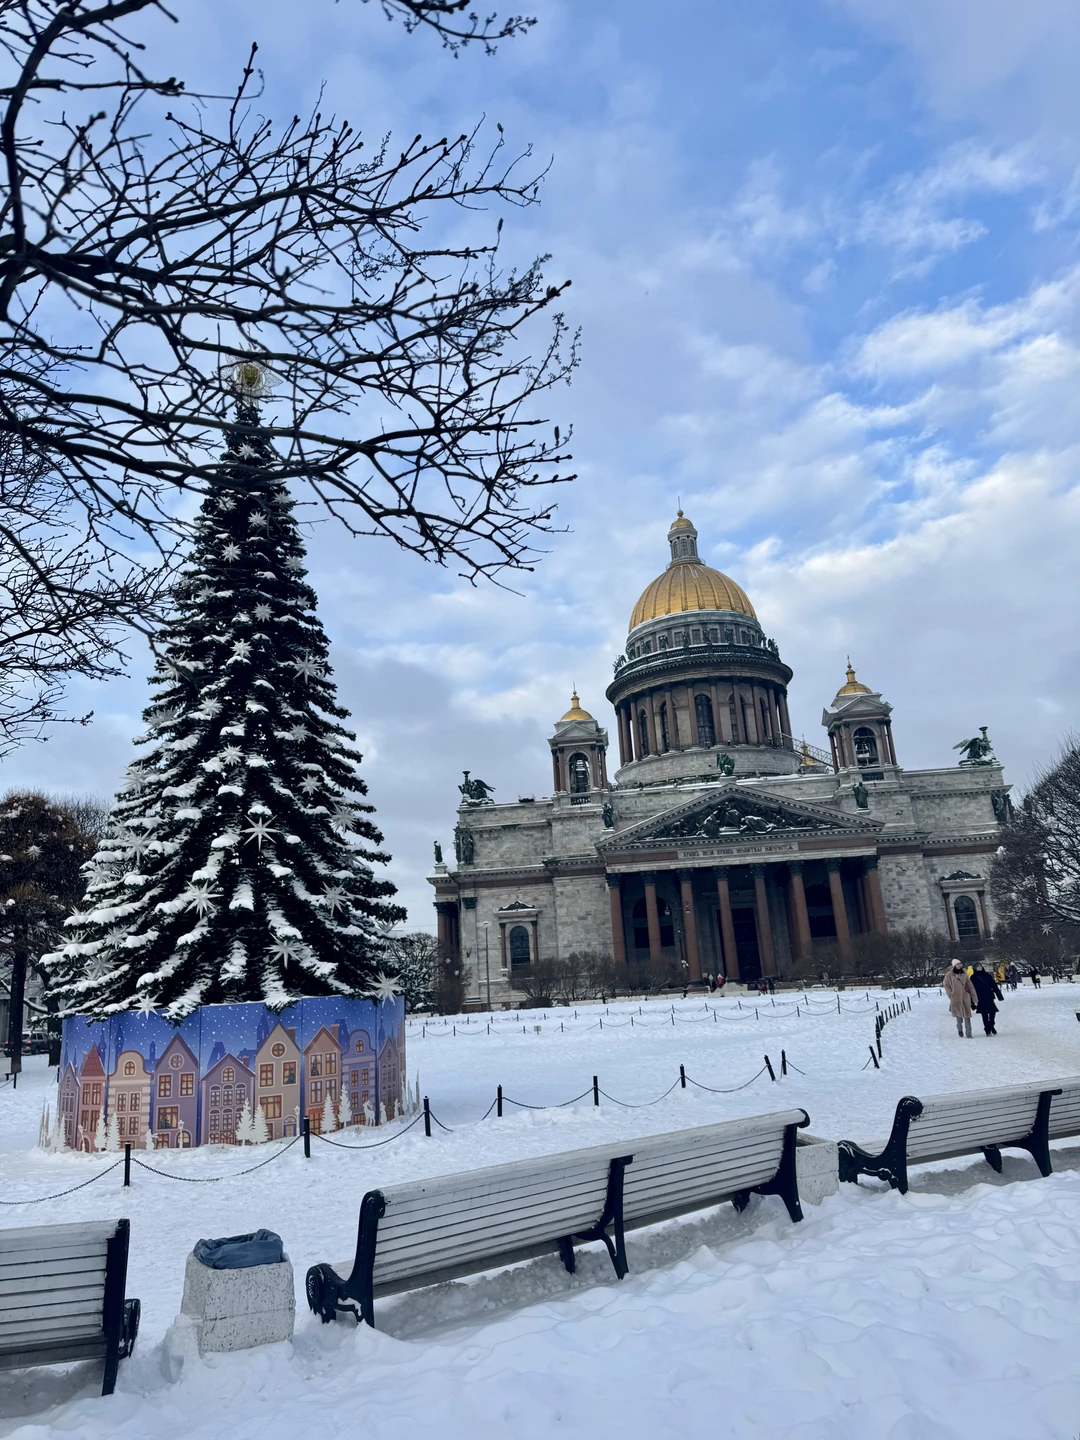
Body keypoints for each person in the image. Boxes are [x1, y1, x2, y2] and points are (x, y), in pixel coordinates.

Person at [943, 957, 977, 1038]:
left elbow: (970, 986)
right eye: (957, 964)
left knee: (967, 1016)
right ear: (954, 965)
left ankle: (969, 1033)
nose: (959, 965)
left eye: (960, 964)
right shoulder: (949, 975)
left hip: (965, 997)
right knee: (959, 1017)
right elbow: (946, 985)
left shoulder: (964, 974)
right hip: (956, 997)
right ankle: (960, 1029)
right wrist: (950, 994)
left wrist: (974, 997)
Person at [970, 961, 1004, 1036]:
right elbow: (971, 989)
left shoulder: (987, 976)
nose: (979, 967)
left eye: (980, 966)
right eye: (977, 967)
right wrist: (972, 1001)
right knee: (984, 1014)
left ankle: (991, 1026)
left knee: (993, 1012)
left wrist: (999, 995)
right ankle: (987, 1029)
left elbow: (994, 985)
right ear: (975, 968)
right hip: (980, 998)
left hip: (989, 996)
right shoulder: (973, 977)